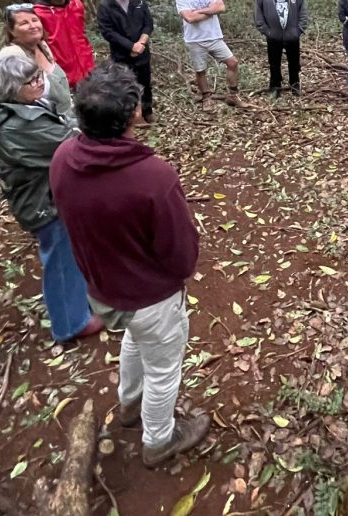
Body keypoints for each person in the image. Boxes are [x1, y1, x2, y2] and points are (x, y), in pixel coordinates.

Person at [50, 63, 209, 466]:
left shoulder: (64, 157)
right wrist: (176, 276)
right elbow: (180, 253)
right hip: (149, 295)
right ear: (133, 113)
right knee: (164, 367)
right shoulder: (151, 176)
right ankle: (158, 440)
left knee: (135, 339)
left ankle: (128, 404)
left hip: (102, 288)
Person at [0, 56, 104, 344]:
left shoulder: (25, 107)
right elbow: (69, 141)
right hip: (42, 203)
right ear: (10, 88)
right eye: (29, 81)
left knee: (71, 252)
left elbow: (64, 121)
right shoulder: (14, 126)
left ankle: (81, 301)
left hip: (52, 194)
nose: (39, 82)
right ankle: (70, 323)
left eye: (37, 76)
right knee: (60, 259)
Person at [175, 0, 244, 110]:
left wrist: (199, 11)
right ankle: (206, 98)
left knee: (232, 62)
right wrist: (210, 10)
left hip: (214, 37)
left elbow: (221, 8)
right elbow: (190, 18)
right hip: (195, 40)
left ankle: (233, 95)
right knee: (201, 70)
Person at [97, 0, 154, 125]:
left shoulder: (138, 1)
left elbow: (148, 24)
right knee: (125, 83)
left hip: (142, 51)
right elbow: (107, 31)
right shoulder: (106, 5)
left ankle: (147, 110)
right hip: (121, 53)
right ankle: (131, 114)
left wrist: (141, 43)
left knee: (145, 82)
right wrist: (130, 46)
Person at [0, 3, 74, 118]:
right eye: (24, 23)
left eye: (35, 20)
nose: (33, 26)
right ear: (11, 31)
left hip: (69, 118)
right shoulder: (12, 56)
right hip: (46, 127)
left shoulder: (42, 46)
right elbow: (20, 103)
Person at [253, 0, 309, 97]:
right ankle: (275, 87)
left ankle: (295, 85)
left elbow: (303, 11)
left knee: (294, 62)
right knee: (274, 63)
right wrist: (266, 31)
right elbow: (257, 13)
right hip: (273, 35)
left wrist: (299, 30)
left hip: (292, 34)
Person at [34, 0, 95, 88]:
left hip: (87, 68)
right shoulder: (38, 13)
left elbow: (81, 33)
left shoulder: (76, 5)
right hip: (62, 74)